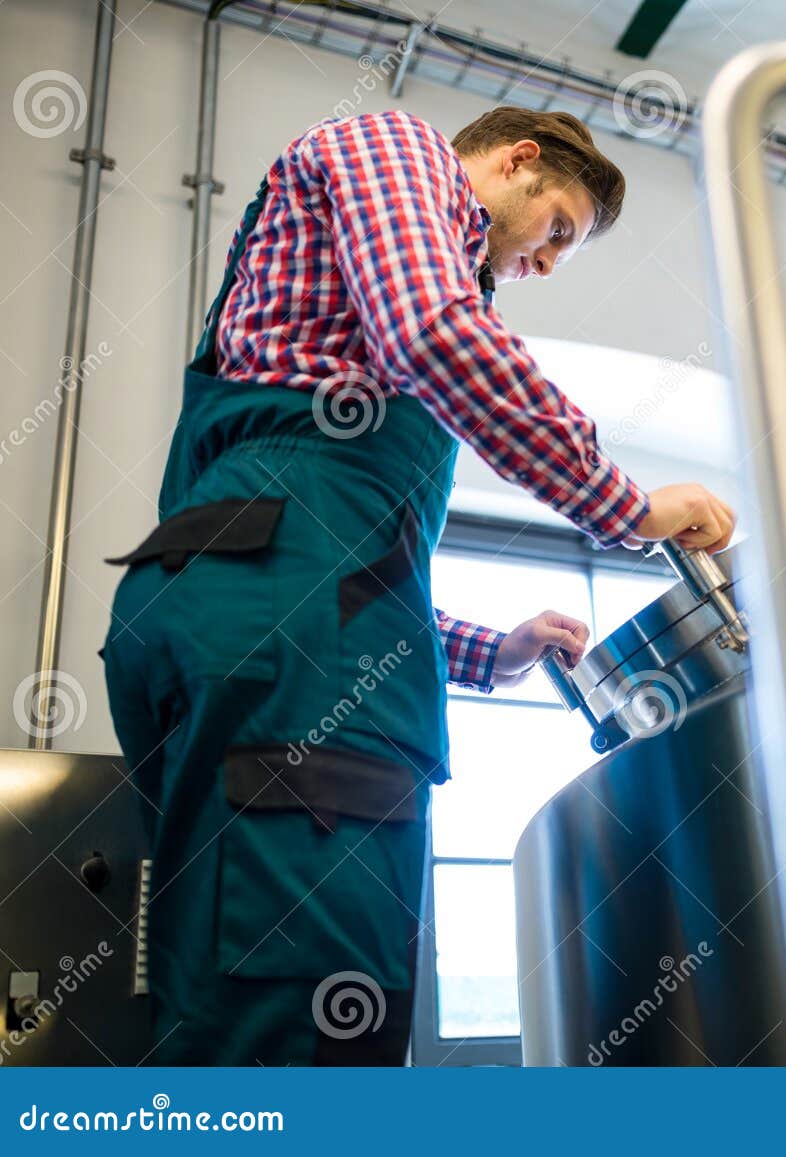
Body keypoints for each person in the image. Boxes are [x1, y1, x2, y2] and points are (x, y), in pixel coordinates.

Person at [101, 106, 735, 1065]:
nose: (549, 262)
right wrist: (628, 505)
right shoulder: (399, 149)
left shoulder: (334, 367)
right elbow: (433, 334)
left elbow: (337, 572)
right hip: (281, 645)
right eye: (558, 226)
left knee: (229, 986)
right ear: (516, 162)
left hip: (254, 615)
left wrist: (495, 650)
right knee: (307, 1009)